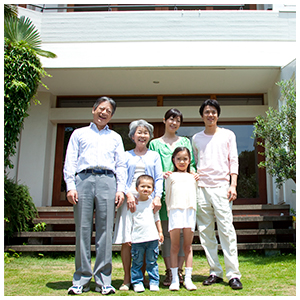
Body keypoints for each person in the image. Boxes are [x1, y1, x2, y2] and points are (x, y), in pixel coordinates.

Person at [64, 96, 127, 295]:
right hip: (83, 180)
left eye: (108, 111)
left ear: (111, 115)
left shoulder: (115, 137)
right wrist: (70, 186)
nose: (104, 113)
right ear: (93, 110)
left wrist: (120, 189)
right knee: (82, 231)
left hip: (108, 181)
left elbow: (121, 165)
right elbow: (70, 161)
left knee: (105, 232)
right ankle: (81, 279)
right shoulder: (78, 133)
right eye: (101, 108)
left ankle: (103, 280)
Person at [192, 99, 243, 290]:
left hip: (222, 187)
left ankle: (233, 274)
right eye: (206, 112)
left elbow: (234, 160)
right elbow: (196, 162)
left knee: (226, 231)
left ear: (218, 115)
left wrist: (233, 184)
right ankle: (215, 271)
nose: (210, 115)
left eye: (213, 112)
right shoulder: (196, 138)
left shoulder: (228, 135)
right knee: (205, 233)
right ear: (202, 115)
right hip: (201, 189)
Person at [149, 108, 197, 286]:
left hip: (183, 194)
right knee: (167, 235)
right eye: (171, 119)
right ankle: (170, 271)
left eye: (177, 120)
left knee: (184, 237)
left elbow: (191, 164)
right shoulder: (154, 143)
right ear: (164, 120)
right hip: (163, 193)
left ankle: (181, 272)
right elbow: (153, 167)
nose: (174, 123)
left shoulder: (185, 141)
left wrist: (195, 175)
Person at [113, 119, 163, 291]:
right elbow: (120, 177)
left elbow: (158, 178)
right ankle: (128, 279)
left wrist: (157, 197)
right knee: (128, 240)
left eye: (145, 132)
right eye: (139, 132)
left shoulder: (154, 156)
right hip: (129, 201)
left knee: (146, 238)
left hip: (147, 200)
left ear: (149, 136)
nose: (142, 135)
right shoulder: (126, 155)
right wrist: (128, 194)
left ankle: (141, 278)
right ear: (132, 136)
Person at [165, 147, 197, 291]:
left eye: (185, 159)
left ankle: (188, 279)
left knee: (187, 247)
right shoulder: (170, 177)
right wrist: (170, 212)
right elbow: (168, 197)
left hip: (189, 211)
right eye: (179, 159)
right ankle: (174, 279)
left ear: (189, 160)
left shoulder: (193, 177)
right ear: (173, 160)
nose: (182, 162)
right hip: (175, 212)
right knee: (175, 246)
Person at [126, 175, 164, 293]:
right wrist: (128, 236)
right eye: (142, 186)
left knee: (152, 262)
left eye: (149, 187)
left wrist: (160, 232)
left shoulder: (152, 203)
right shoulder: (133, 204)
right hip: (137, 239)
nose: (145, 189)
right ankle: (137, 282)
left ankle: (154, 282)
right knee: (137, 262)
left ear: (153, 190)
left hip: (152, 238)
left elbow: (157, 219)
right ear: (136, 188)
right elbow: (129, 221)